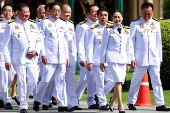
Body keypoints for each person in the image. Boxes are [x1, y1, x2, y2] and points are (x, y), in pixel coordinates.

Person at [128, 2, 170, 111]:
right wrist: (131, 58)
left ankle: (160, 104)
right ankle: (131, 102)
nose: (147, 16)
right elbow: (131, 42)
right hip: (140, 59)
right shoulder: (135, 24)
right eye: (145, 13)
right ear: (141, 12)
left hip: (154, 58)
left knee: (157, 81)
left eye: (149, 14)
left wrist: (160, 58)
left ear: (152, 13)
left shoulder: (156, 23)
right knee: (136, 81)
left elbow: (158, 42)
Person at [3, 3, 43, 113]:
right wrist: (7, 60)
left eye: (28, 12)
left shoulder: (33, 24)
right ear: (18, 13)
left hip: (32, 59)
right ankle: (23, 106)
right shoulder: (11, 25)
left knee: (34, 80)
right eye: (25, 13)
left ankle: (21, 98)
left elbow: (40, 40)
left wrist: (36, 51)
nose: (27, 15)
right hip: (18, 59)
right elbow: (5, 44)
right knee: (22, 81)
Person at [33, 2, 69, 112]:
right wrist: (42, 54)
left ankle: (63, 104)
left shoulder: (63, 23)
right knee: (45, 80)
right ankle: (38, 100)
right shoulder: (44, 22)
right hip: (49, 57)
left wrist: (66, 56)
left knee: (61, 81)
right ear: (49, 12)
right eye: (54, 10)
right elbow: (40, 39)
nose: (57, 12)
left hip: (61, 57)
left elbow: (65, 42)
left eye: (59, 10)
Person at [100, 10, 131, 113]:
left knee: (120, 82)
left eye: (119, 17)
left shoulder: (127, 30)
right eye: (115, 17)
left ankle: (112, 102)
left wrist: (128, 62)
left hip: (123, 59)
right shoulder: (108, 30)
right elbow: (103, 47)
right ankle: (120, 105)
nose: (117, 19)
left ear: (122, 18)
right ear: (112, 19)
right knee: (117, 81)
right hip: (112, 59)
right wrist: (102, 62)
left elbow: (128, 47)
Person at [86, 6, 111, 110]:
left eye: (105, 15)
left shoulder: (112, 28)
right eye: (101, 15)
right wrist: (89, 61)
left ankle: (99, 95)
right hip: (97, 60)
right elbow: (89, 46)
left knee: (112, 80)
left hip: (110, 60)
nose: (103, 17)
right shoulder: (93, 30)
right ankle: (102, 103)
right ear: (98, 16)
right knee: (100, 82)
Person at [59, 4, 82, 111]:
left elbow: (73, 42)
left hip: (71, 56)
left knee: (71, 81)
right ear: (60, 12)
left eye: (69, 12)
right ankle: (61, 103)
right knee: (60, 80)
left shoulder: (71, 25)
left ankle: (72, 103)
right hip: (61, 57)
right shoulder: (57, 24)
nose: (68, 14)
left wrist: (75, 55)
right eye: (65, 12)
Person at [75, 4, 99, 109]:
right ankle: (75, 98)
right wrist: (82, 58)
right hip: (87, 58)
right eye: (93, 12)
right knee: (84, 78)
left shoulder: (102, 25)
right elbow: (79, 43)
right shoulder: (82, 26)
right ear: (88, 13)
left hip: (98, 58)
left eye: (97, 12)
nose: (96, 14)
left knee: (97, 79)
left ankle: (96, 98)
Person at [0, 3, 15, 109]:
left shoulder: (16, 25)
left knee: (10, 77)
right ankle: (6, 101)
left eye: (9, 10)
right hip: (1, 55)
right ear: (2, 12)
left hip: (13, 56)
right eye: (5, 10)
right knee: (3, 78)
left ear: (13, 13)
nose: (7, 12)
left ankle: (1, 97)